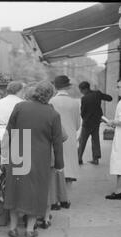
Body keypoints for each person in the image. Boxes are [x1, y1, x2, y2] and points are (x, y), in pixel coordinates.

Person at [3, 81, 64, 237]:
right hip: (39, 157)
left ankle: (13, 227)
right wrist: (59, 165)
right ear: (50, 95)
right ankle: (30, 230)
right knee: (36, 192)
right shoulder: (53, 114)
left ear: (35, 92)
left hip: (18, 153)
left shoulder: (20, 107)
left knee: (15, 190)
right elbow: (57, 142)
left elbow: (8, 132)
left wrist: (5, 155)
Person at [49, 75, 81, 206]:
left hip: (55, 137)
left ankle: (55, 199)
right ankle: (66, 198)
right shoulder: (75, 102)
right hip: (71, 138)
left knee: (56, 167)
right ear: (67, 86)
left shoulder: (51, 101)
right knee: (69, 169)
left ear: (55, 87)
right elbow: (78, 124)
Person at [77, 81, 113, 165]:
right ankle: (96, 159)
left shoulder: (84, 98)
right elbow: (110, 98)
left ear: (85, 89)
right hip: (96, 121)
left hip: (87, 123)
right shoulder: (97, 94)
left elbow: (82, 112)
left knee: (82, 141)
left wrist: (85, 118)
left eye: (81, 90)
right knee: (95, 140)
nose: (81, 92)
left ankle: (79, 159)